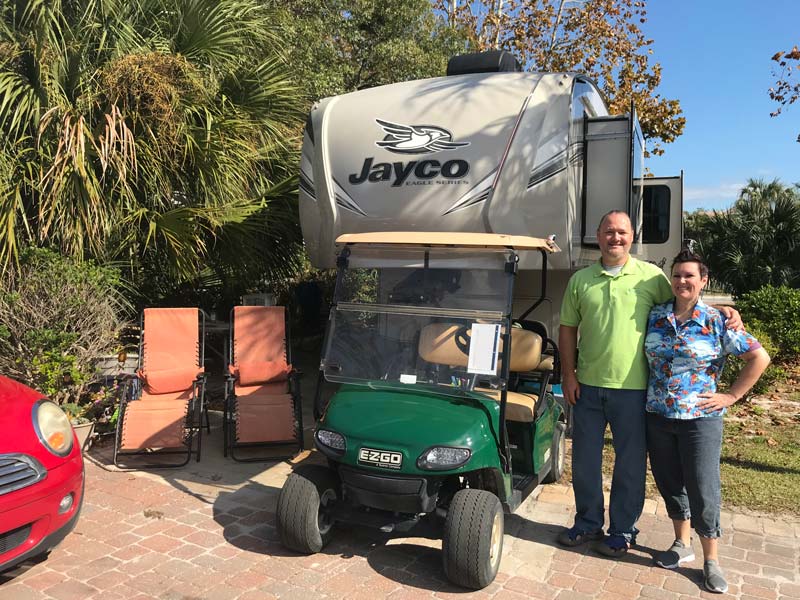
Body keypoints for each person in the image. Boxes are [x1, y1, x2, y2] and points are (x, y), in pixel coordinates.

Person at [556, 210, 741, 558]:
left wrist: (724, 311)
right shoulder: (581, 280)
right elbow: (567, 329)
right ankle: (588, 523)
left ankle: (622, 531)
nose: (615, 238)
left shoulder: (650, 276)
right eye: (609, 231)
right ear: (598, 235)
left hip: (635, 390)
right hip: (587, 388)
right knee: (584, 461)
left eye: (622, 232)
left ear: (632, 237)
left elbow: (685, 298)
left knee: (629, 464)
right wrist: (568, 374)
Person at [644, 250, 769, 594]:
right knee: (670, 482)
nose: (682, 281)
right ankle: (681, 544)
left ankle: (711, 560)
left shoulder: (716, 321)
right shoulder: (655, 315)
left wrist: (731, 396)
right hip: (658, 415)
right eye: (677, 275)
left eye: (689, 276)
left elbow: (759, 357)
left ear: (704, 281)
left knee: (703, 488)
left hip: (700, 420)